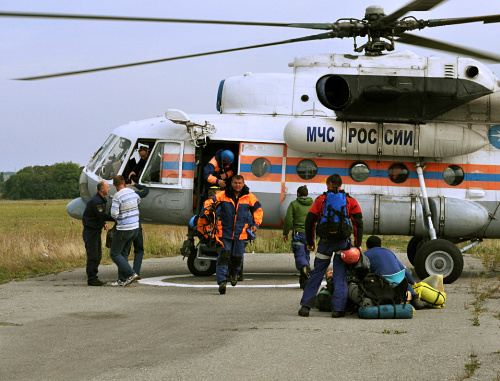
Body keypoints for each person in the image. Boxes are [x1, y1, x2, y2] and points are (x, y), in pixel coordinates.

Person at [298, 173, 363, 318]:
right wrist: (357, 244)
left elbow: (310, 221)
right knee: (340, 275)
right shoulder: (350, 200)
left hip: (325, 243)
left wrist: (310, 242)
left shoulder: (321, 200)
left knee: (317, 274)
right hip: (342, 243)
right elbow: (358, 222)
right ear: (340, 185)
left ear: (328, 184)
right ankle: (338, 309)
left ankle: (306, 307)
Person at [204, 175, 263, 294]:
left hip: (241, 233)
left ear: (243, 183)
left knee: (237, 257)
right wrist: (208, 211)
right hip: (224, 232)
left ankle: (235, 274)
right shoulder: (223, 195)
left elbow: (258, 210)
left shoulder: (249, 197)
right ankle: (221, 282)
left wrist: (255, 224)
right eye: (235, 183)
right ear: (231, 183)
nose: (237, 185)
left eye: (240, 183)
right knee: (224, 256)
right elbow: (210, 202)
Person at [363, 235, 426, 310]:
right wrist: (413, 282)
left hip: (383, 283)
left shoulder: (365, 254)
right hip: (398, 280)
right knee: (404, 279)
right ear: (380, 245)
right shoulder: (389, 252)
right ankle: (415, 298)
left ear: (367, 246)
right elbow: (404, 270)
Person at [109, 175, 141, 286]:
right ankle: (122, 279)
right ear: (124, 182)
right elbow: (138, 201)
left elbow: (114, 214)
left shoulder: (117, 196)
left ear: (114, 184)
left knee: (114, 254)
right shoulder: (132, 192)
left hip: (124, 228)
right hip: (135, 227)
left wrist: (118, 218)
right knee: (124, 253)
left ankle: (131, 274)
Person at [82, 180, 115, 286]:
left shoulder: (100, 199)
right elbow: (101, 215)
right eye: (107, 187)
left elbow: (98, 216)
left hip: (95, 231)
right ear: (102, 189)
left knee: (98, 255)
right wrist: (116, 218)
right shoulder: (96, 201)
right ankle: (91, 279)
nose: (109, 189)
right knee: (93, 256)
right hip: (91, 232)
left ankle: (94, 277)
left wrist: (103, 223)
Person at [282, 185, 314, 289]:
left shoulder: (294, 204)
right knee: (306, 255)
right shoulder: (313, 204)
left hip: (298, 234)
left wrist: (285, 232)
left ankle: (305, 267)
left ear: (298, 194)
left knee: (300, 255)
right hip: (311, 234)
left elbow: (288, 219)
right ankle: (304, 283)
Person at [129, 180, 149, 276]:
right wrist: (135, 184)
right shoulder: (134, 194)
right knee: (139, 250)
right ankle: (135, 272)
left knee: (125, 251)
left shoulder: (118, 196)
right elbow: (146, 190)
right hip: (136, 225)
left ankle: (126, 273)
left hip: (125, 227)